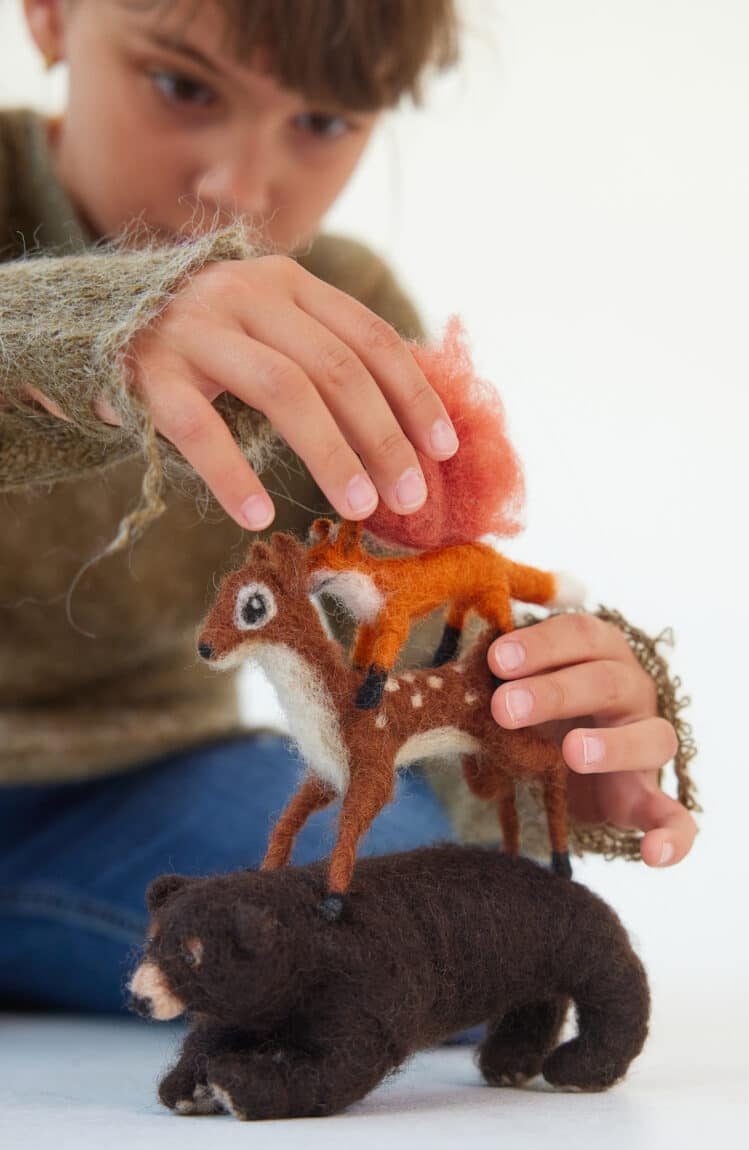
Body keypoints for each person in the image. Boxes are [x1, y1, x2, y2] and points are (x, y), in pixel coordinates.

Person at [0, 0, 699, 1013]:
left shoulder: (332, 314)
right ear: (54, 14)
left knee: (429, 936)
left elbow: (409, 644)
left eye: (321, 122)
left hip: (140, 794)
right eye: (183, 86)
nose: (234, 189)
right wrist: (103, 325)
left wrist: (530, 745)